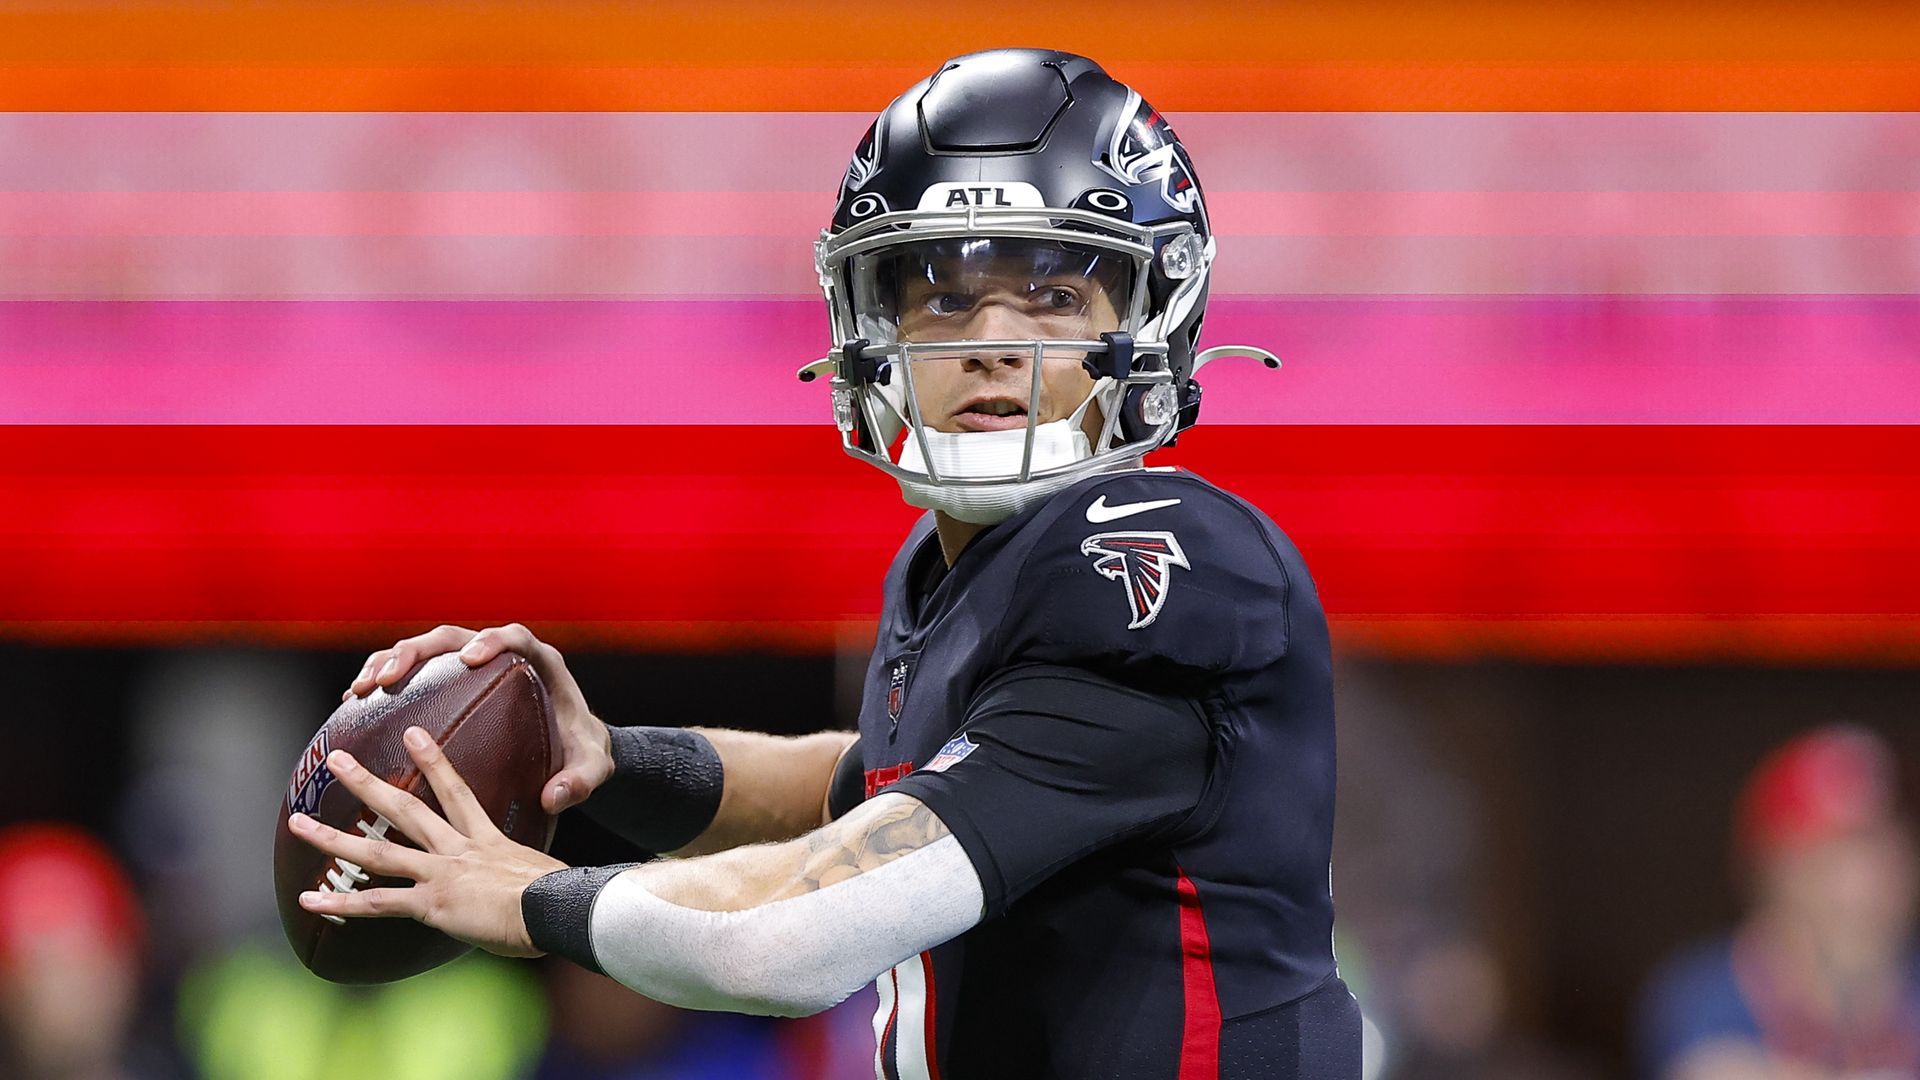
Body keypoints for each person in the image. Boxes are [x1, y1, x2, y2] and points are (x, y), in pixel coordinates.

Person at [292, 48, 1361, 1078]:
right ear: (872, 329)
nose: (991, 342)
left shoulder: (1157, 560)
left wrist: (529, 896)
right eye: (943, 297)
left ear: (1151, 322)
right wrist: (609, 760)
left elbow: (790, 938)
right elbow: (871, 789)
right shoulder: (958, 565)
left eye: (1053, 296)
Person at [1637, 725, 1920, 1079]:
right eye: (1839, 854)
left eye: (1894, 845)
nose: (1875, 876)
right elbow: (1710, 1067)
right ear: (1774, 873)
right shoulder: (1705, 994)